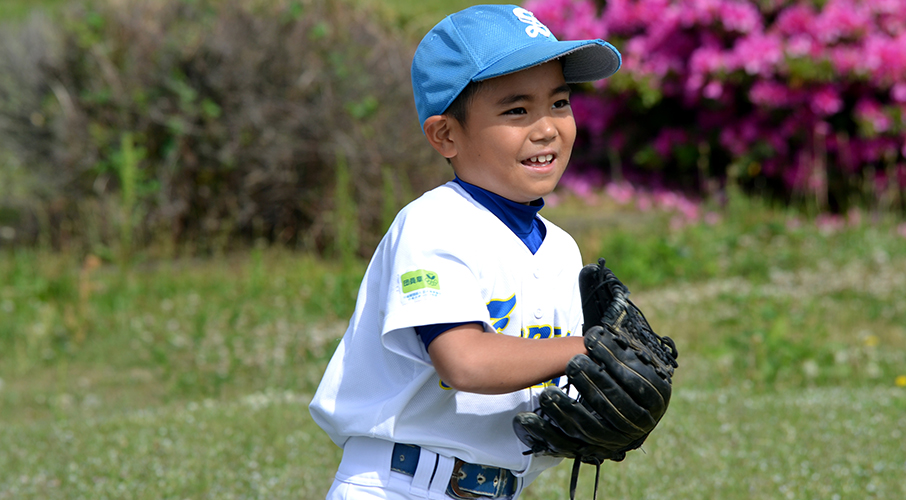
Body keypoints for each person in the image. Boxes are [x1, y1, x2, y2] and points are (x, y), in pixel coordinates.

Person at [309, 4, 622, 499]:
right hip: (399, 486)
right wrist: (592, 350)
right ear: (446, 135)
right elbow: (466, 362)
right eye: (517, 109)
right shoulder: (435, 223)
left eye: (559, 103)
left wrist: (600, 400)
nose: (546, 128)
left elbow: (541, 393)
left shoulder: (560, 248)